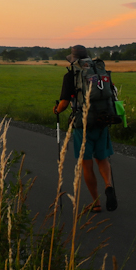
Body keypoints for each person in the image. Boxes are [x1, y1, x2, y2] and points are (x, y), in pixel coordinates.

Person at [54, 45, 118, 213]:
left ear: (73, 59)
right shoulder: (99, 71)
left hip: (82, 124)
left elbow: (64, 103)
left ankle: (96, 203)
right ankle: (109, 185)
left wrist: (56, 110)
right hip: (103, 120)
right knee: (102, 158)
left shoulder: (71, 75)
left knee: (86, 164)